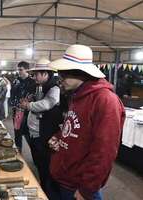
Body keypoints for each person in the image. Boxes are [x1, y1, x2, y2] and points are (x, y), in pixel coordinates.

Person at [48, 44, 126, 200]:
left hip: (79, 186)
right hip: (65, 178)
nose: (60, 80)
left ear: (80, 73)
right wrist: (59, 137)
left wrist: (87, 189)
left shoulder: (105, 100)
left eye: (63, 74)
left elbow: (104, 152)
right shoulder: (76, 95)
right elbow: (75, 128)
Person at [19, 58, 64, 197]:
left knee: (46, 167)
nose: (35, 76)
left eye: (38, 73)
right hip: (35, 133)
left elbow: (47, 104)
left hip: (44, 134)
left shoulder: (54, 88)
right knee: (39, 164)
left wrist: (29, 105)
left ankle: (49, 193)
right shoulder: (39, 86)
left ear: (46, 74)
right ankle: (44, 188)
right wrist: (30, 100)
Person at [10, 61, 36, 152]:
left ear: (27, 70)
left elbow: (34, 97)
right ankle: (19, 154)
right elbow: (12, 94)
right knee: (17, 133)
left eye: (21, 70)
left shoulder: (33, 82)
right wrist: (13, 104)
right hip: (17, 112)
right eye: (18, 70)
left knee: (28, 134)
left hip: (28, 113)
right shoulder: (16, 81)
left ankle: (35, 155)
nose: (19, 72)